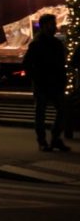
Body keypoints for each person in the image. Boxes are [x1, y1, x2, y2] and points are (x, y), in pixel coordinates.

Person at [22, 14, 70, 152]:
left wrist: (62, 79)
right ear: (44, 26)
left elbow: (60, 63)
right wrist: (36, 78)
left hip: (54, 83)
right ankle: (44, 141)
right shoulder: (37, 44)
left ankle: (54, 139)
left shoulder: (56, 43)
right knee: (42, 112)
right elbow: (27, 64)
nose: (54, 27)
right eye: (52, 24)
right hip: (43, 84)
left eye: (54, 24)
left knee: (60, 110)